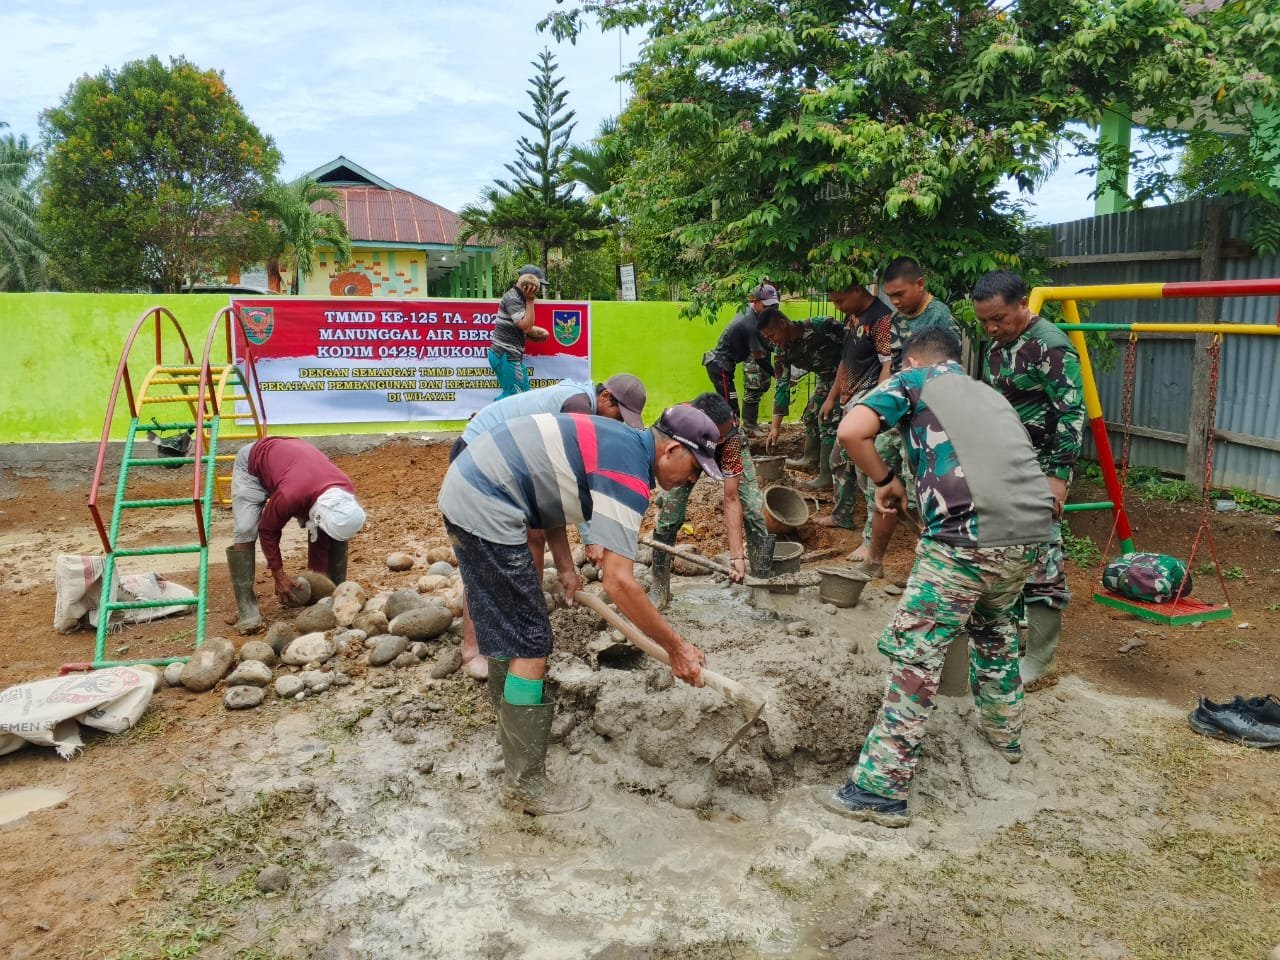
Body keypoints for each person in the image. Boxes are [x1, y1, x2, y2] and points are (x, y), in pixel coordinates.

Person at [817, 326, 1055, 827]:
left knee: (915, 652)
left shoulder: (913, 381)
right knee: (994, 631)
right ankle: (1004, 739)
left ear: (912, 360)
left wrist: (886, 480)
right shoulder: (988, 393)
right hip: (1032, 536)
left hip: (965, 541)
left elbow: (851, 431)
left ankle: (880, 790)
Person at [439, 405, 724, 816]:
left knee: (506, 629)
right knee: (531, 642)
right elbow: (619, 582)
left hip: (467, 490)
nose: (691, 482)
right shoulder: (628, 473)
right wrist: (676, 647)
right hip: (486, 502)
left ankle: (512, 753)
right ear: (672, 450)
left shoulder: (621, 442)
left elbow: (547, 496)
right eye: (694, 470)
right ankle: (525, 784)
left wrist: (567, 567)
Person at [451, 373, 649, 680]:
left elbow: (549, 504)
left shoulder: (584, 404)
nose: (618, 424)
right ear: (606, 397)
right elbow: (563, 484)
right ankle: (473, 650)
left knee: (532, 537)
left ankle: (524, 619)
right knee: (485, 557)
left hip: (514, 464)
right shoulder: (578, 408)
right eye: (618, 415)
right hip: (480, 454)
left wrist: (567, 568)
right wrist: (592, 539)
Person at [976, 270, 1085, 688]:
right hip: (1007, 466)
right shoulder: (999, 344)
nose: (991, 327)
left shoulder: (1052, 347)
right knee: (1003, 550)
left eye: (999, 318)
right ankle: (1008, 639)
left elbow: (1072, 415)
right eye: (984, 320)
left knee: (1043, 556)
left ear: (1023, 304)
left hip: (1041, 469)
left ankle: (1042, 658)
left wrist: (1058, 477)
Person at [851, 258, 959, 570]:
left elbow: (947, 373)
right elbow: (893, 366)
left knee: (920, 486)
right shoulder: (898, 320)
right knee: (875, 470)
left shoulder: (941, 319)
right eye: (891, 296)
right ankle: (872, 550)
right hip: (899, 411)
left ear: (920, 284)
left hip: (928, 418)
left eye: (900, 294)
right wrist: (877, 400)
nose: (895, 301)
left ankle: (927, 558)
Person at [228, 437, 367, 635]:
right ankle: (246, 607)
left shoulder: (345, 491)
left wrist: (319, 584)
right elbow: (268, 529)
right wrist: (279, 575)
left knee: (333, 531)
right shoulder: (291, 495)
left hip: (290, 466)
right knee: (246, 528)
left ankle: (333, 588)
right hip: (253, 465)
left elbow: (323, 531)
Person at [648, 392, 773, 609]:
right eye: (717, 437)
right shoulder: (678, 422)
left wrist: (736, 557)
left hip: (727, 450)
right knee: (670, 513)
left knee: (753, 507)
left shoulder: (730, 437)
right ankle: (660, 587)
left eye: (722, 436)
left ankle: (760, 584)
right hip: (689, 452)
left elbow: (732, 497)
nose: (720, 439)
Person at [814, 284, 898, 531]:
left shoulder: (881, 320)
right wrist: (832, 397)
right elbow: (845, 360)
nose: (836, 307)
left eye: (840, 300)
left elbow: (888, 365)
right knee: (839, 461)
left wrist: (875, 408)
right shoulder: (853, 319)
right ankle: (843, 516)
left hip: (866, 404)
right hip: (849, 402)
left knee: (866, 471)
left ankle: (875, 531)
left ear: (858, 291)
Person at [759, 307, 846, 491]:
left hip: (848, 377)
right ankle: (810, 459)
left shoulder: (823, 326)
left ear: (783, 324)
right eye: (767, 338)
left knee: (827, 419)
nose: (771, 341)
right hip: (826, 379)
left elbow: (855, 348)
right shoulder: (782, 351)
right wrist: (775, 427)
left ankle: (827, 477)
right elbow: (782, 386)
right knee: (811, 415)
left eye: (772, 335)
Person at [703, 283, 779, 420]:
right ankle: (732, 438)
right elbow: (759, 358)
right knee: (730, 408)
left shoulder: (750, 311)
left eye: (773, 306)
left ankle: (731, 435)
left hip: (724, 365)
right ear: (755, 302)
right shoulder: (750, 322)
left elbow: (764, 341)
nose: (771, 310)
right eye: (767, 306)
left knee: (730, 406)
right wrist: (777, 375)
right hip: (720, 366)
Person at [488, 265, 550, 399]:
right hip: (506, 355)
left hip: (509, 355)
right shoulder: (514, 299)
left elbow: (523, 328)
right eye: (538, 284)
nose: (538, 289)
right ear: (530, 283)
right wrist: (530, 300)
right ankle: (483, 417)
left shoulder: (518, 298)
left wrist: (538, 333)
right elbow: (526, 326)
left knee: (524, 396)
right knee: (514, 397)